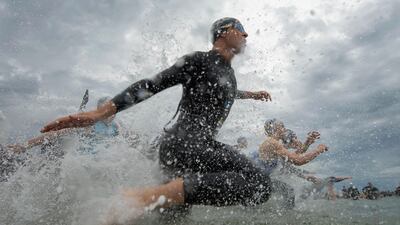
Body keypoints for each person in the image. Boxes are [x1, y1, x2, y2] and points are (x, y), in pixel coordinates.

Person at [41, 17, 276, 223]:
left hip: (184, 153)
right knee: (259, 183)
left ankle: (129, 206)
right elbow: (152, 83)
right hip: (187, 144)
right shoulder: (200, 60)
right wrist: (102, 112)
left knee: (171, 219)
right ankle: (142, 196)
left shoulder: (229, 75)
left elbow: (225, 90)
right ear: (223, 32)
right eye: (240, 28)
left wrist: (251, 95)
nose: (246, 34)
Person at [6, 97, 120, 155]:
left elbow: (127, 139)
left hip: (105, 165)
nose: (110, 114)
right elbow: (57, 133)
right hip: (84, 166)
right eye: (104, 109)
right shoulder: (90, 124)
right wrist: (24, 146)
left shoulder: (115, 127)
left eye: (112, 111)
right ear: (99, 110)